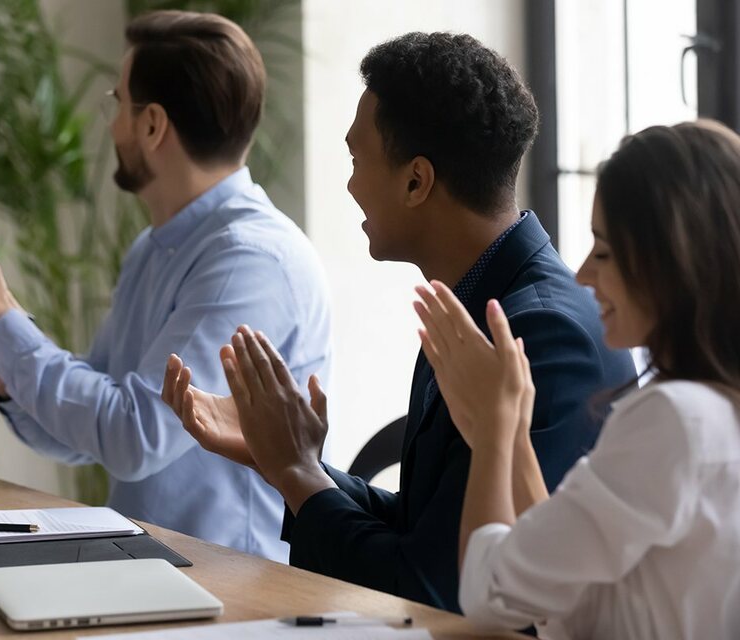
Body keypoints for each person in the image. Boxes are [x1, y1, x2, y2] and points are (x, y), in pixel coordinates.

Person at [162, 31, 636, 612]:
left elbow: (437, 589)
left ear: (417, 181)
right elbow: (423, 528)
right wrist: (288, 460)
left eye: (357, 159)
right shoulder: (478, 299)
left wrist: (294, 472)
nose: (351, 183)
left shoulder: (536, 333)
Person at [0, 10, 331, 561]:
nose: (111, 125)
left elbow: (137, 437)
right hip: (147, 564)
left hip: (229, 583)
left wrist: (3, 327)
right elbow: (92, 431)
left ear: (153, 125)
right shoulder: (157, 247)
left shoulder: (248, 260)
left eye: (118, 104)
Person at [411, 120, 740, 639]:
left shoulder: (673, 420)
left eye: (603, 252)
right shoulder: (714, 411)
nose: (584, 274)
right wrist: (513, 434)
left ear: (671, 261)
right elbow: (562, 589)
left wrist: (494, 434)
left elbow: (489, 597)